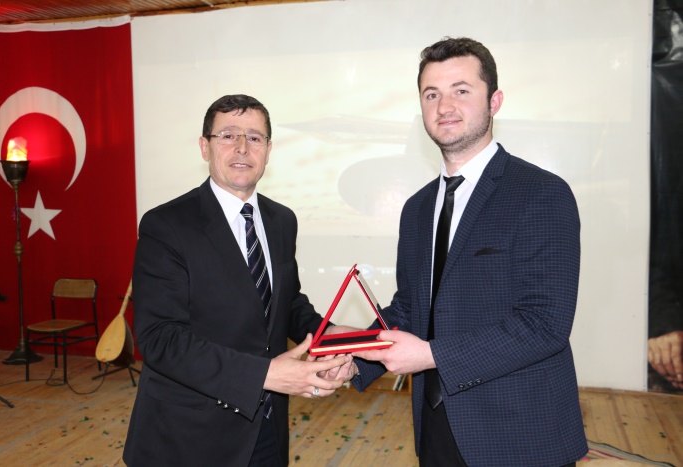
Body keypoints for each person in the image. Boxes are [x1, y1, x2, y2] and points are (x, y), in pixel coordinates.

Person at [332, 37, 588, 466]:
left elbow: (545, 325)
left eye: (461, 90)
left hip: (520, 435)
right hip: (435, 427)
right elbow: (412, 309)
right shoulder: (416, 208)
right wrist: (358, 356)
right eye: (431, 94)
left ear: (495, 101)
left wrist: (428, 355)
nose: (445, 106)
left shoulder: (542, 193)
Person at [123, 94, 351, 467]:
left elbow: (286, 303)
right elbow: (160, 338)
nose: (242, 147)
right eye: (228, 135)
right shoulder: (166, 225)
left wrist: (329, 335)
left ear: (268, 150)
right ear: (204, 147)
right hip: (189, 437)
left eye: (255, 137)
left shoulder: (282, 220)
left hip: (267, 428)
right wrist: (263, 374)